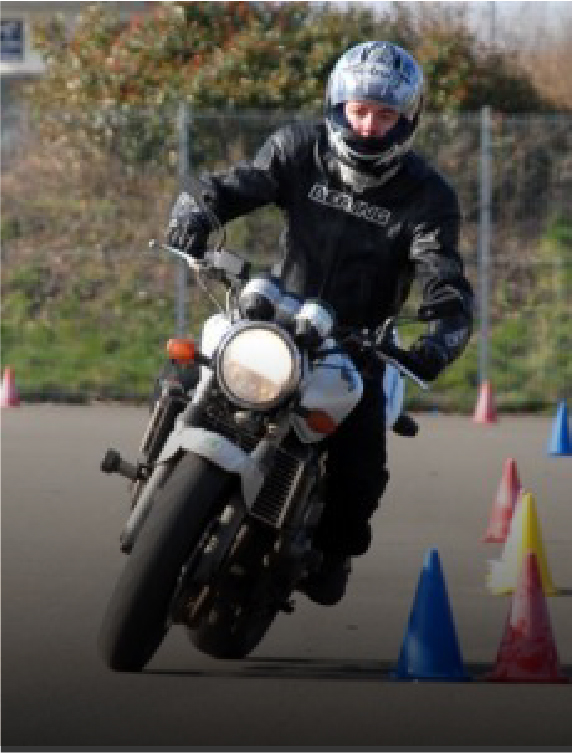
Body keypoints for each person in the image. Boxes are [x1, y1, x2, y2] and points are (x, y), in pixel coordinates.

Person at [165, 41, 474, 606]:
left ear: (407, 120)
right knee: (189, 373)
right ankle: (160, 475)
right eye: (359, 110)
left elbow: (441, 270)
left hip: (359, 342)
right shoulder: (297, 148)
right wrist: (200, 211)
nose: (369, 127)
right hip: (280, 315)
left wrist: (441, 335)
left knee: (361, 459)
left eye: (385, 116)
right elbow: (243, 182)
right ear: (337, 105)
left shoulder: (428, 195)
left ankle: (334, 551)